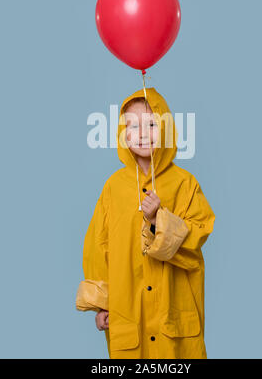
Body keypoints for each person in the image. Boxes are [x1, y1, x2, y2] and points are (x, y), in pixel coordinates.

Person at [76, 87, 215, 359]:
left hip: (174, 316)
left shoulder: (184, 184)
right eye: (133, 125)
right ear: (122, 134)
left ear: (166, 128)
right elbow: (97, 246)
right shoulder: (113, 188)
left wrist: (159, 219)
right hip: (129, 316)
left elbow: (199, 233)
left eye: (151, 124)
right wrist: (102, 304)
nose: (141, 133)